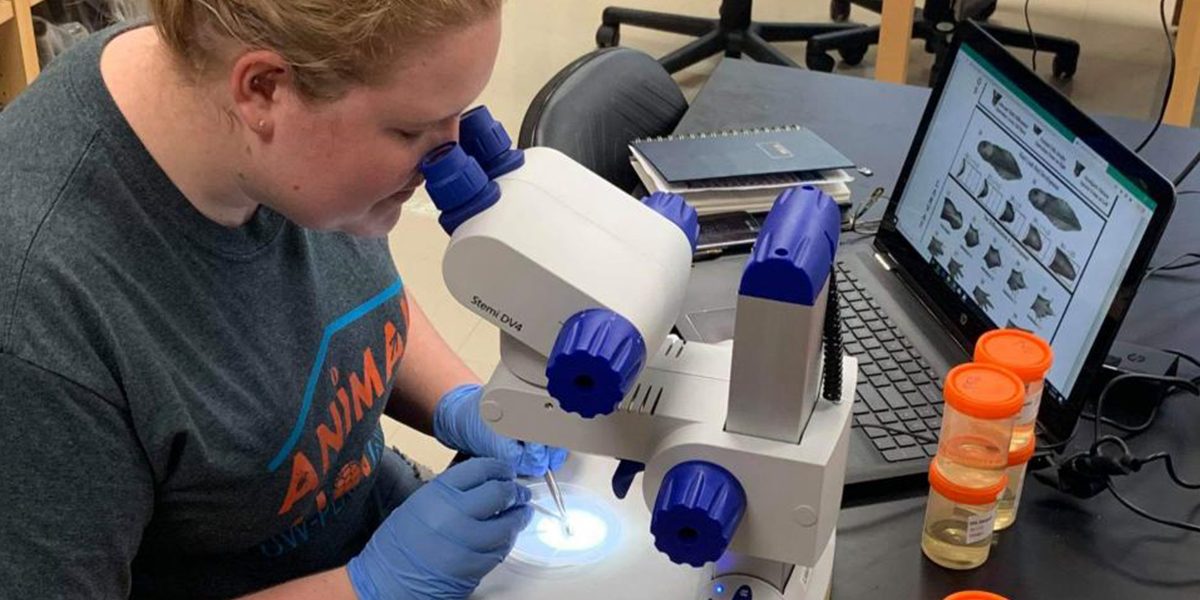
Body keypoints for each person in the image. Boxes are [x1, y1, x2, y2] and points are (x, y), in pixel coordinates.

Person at [0, 1, 566, 598]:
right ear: (263, 90)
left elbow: (353, 299)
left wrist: (462, 402)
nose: (448, 159)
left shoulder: (246, 114)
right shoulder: (39, 322)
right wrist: (369, 586)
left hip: (367, 517)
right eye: (409, 130)